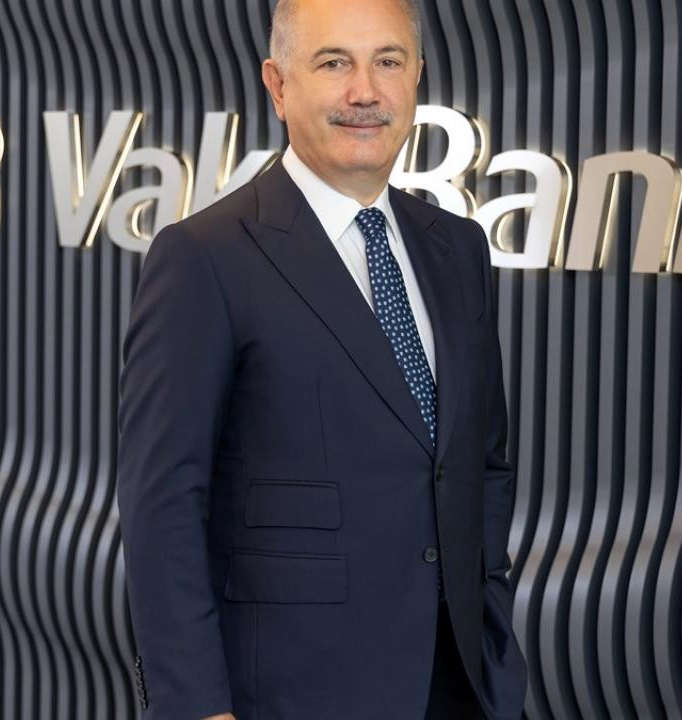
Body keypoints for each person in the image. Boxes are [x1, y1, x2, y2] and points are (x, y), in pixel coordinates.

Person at [115, 0, 527, 717]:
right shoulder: (204, 258)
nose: (364, 91)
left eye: (387, 61)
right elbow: (162, 508)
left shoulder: (457, 248)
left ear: (416, 76)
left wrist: (490, 628)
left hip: (459, 683)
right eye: (334, 62)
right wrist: (196, 707)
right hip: (291, 693)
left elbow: (480, 461)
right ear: (278, 86)